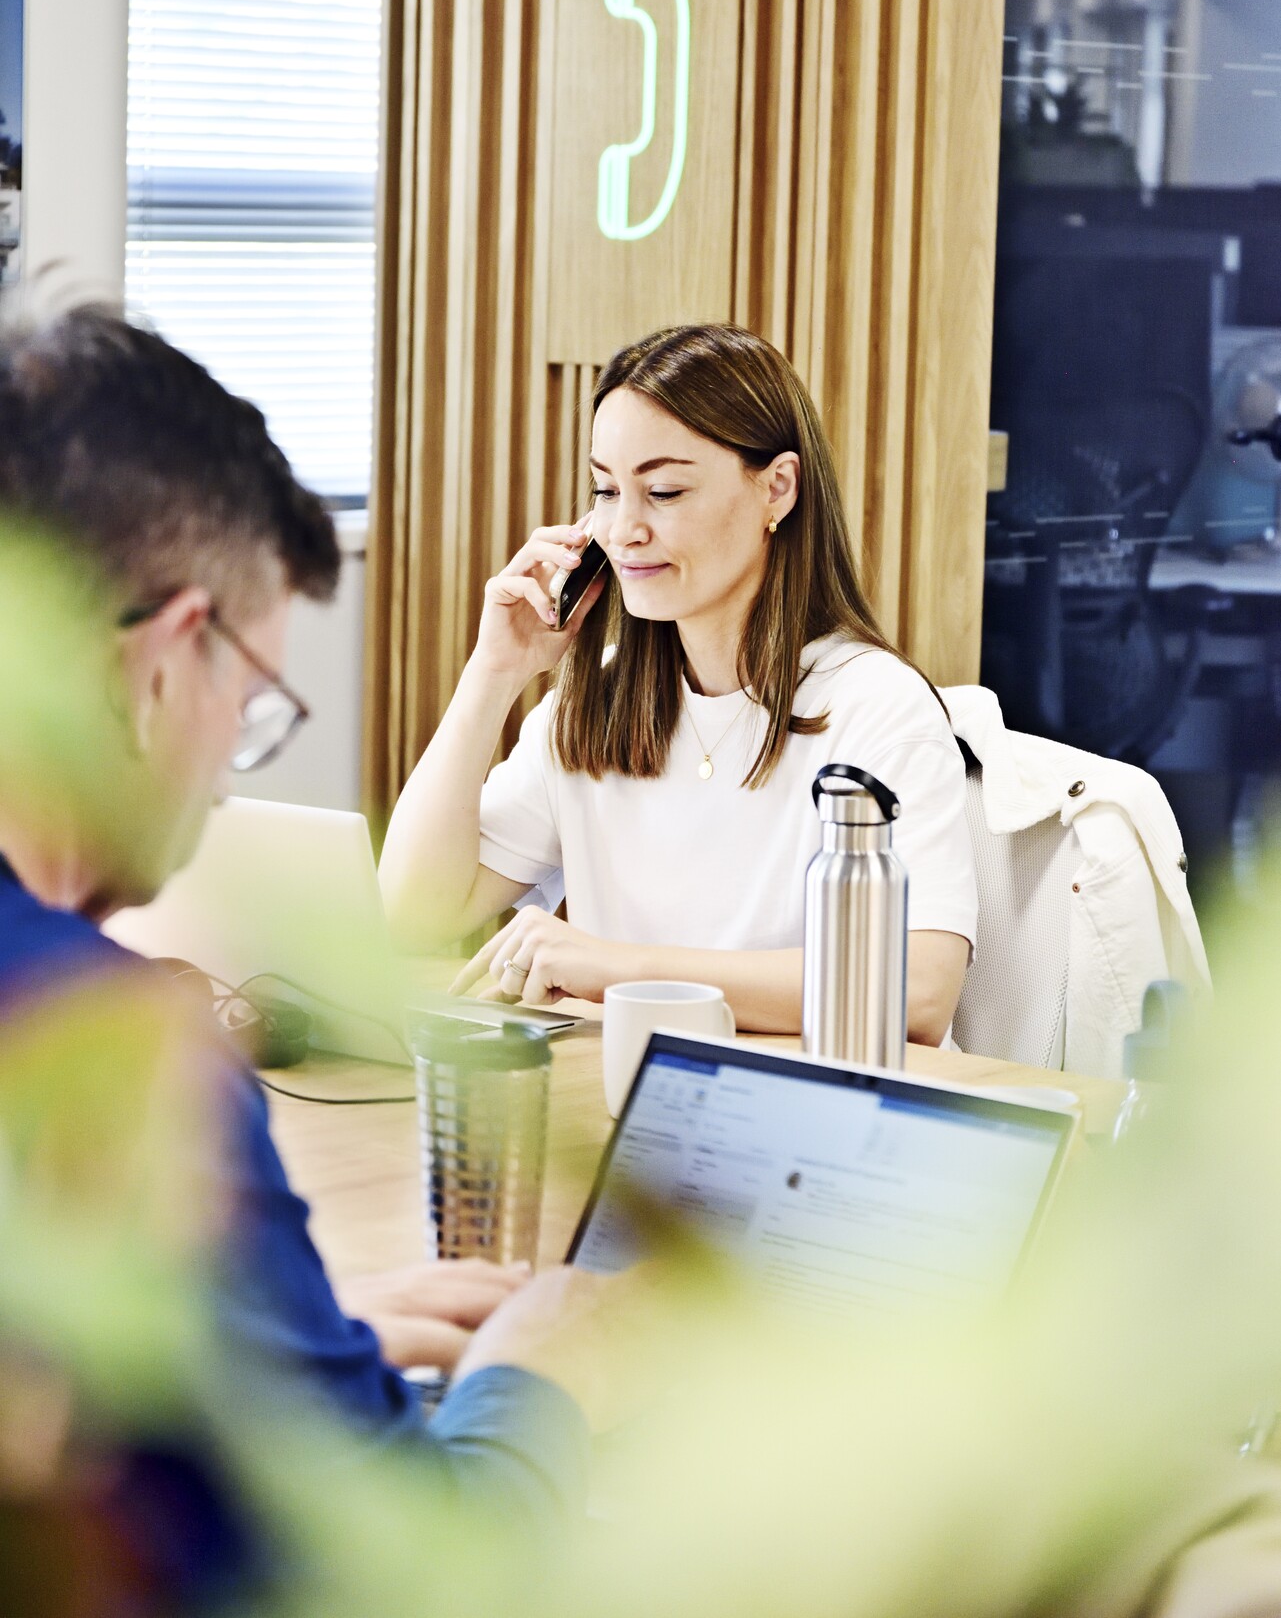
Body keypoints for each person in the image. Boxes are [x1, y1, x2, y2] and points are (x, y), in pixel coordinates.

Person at [0, 305, 616, 1532]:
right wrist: (540, 1373)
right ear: (166, 663)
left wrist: (277, 1355)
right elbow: (429, 1558)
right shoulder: (102, 1050)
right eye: (251, 700)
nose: (228, 762)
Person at [380, 323, 977, 1039]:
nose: (622, 528)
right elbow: (414, 913)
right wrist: (491, 676)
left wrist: (616, 968)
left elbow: (918, 990)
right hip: (630, 1106)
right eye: (604, 490)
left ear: (776, 488)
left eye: (662, 491)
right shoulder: (593, 702)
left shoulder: (875, 707)